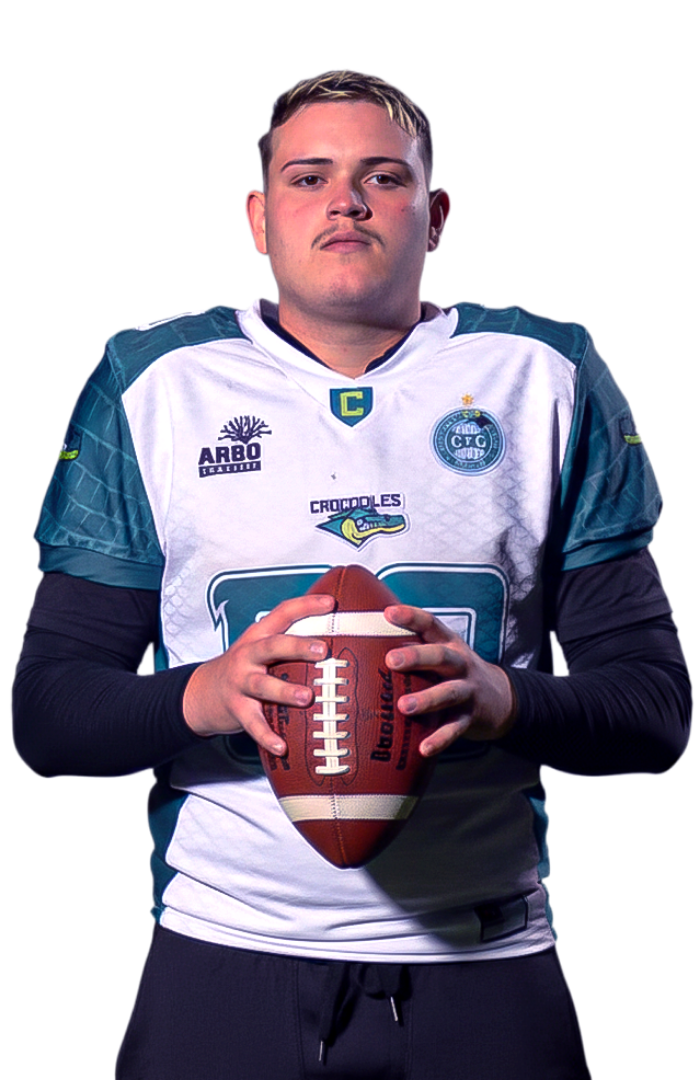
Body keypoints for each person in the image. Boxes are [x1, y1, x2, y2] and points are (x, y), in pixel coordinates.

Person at [11, 68, 692, 1080]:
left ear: (436, 215)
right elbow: (48, 716)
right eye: (309, 177)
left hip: (483, 952)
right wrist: (209, 693)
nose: (345, 202)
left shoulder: (541, 373)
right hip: (226, 946)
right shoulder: (156, 381)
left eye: (383, 176)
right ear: (258, 217)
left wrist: (501, 697)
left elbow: (655, 712)